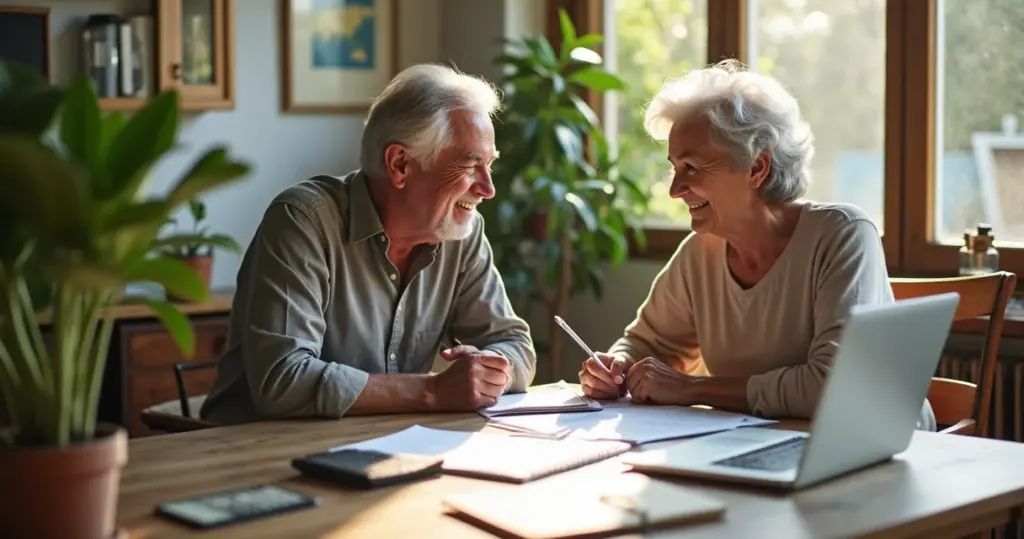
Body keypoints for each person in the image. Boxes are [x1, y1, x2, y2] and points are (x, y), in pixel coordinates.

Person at [577, 60, 935, 430]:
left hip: (880, 449)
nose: (675, 189)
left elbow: (833, 385)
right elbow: (647, 346)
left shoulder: (843, 234)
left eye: (693, 168)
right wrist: (614, 368)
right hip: (768, 446)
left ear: (756, 168)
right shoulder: (699, 253)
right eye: (674, 168)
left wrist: (692, 389)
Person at [201, 64, 536, 425]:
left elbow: (514, 344)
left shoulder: (461, 232)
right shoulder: (303, 221)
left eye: (489, 165)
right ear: (400, 164)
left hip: (381, 446)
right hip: (251, 452)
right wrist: (434, 391)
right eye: (471, 165)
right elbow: (283, 380)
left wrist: (488, 371)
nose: (488, 188)